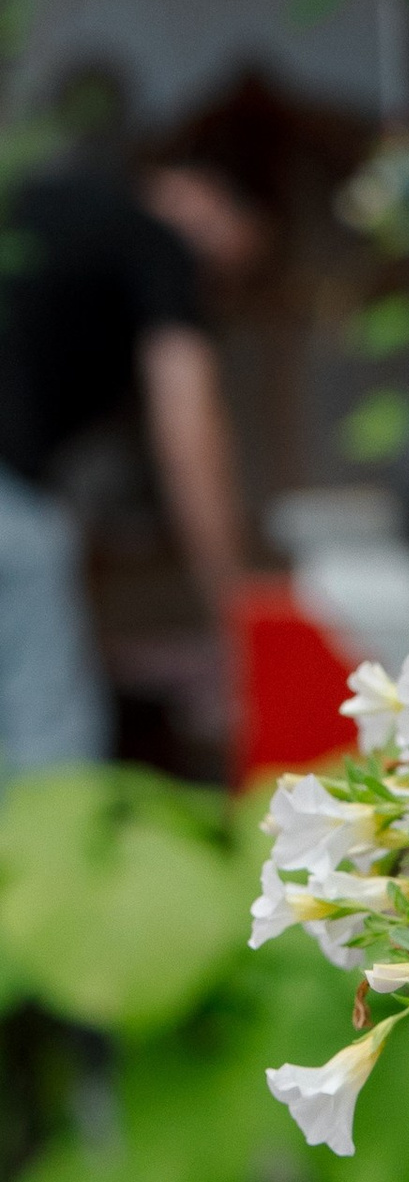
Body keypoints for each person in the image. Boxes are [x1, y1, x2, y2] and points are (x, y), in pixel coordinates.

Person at [0, 128, 266, 771]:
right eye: (239, 261)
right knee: (51, 761)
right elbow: (189, 431)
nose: (223, 290)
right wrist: (238, 612)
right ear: (203, 194)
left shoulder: (43, 198)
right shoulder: (159, 239)